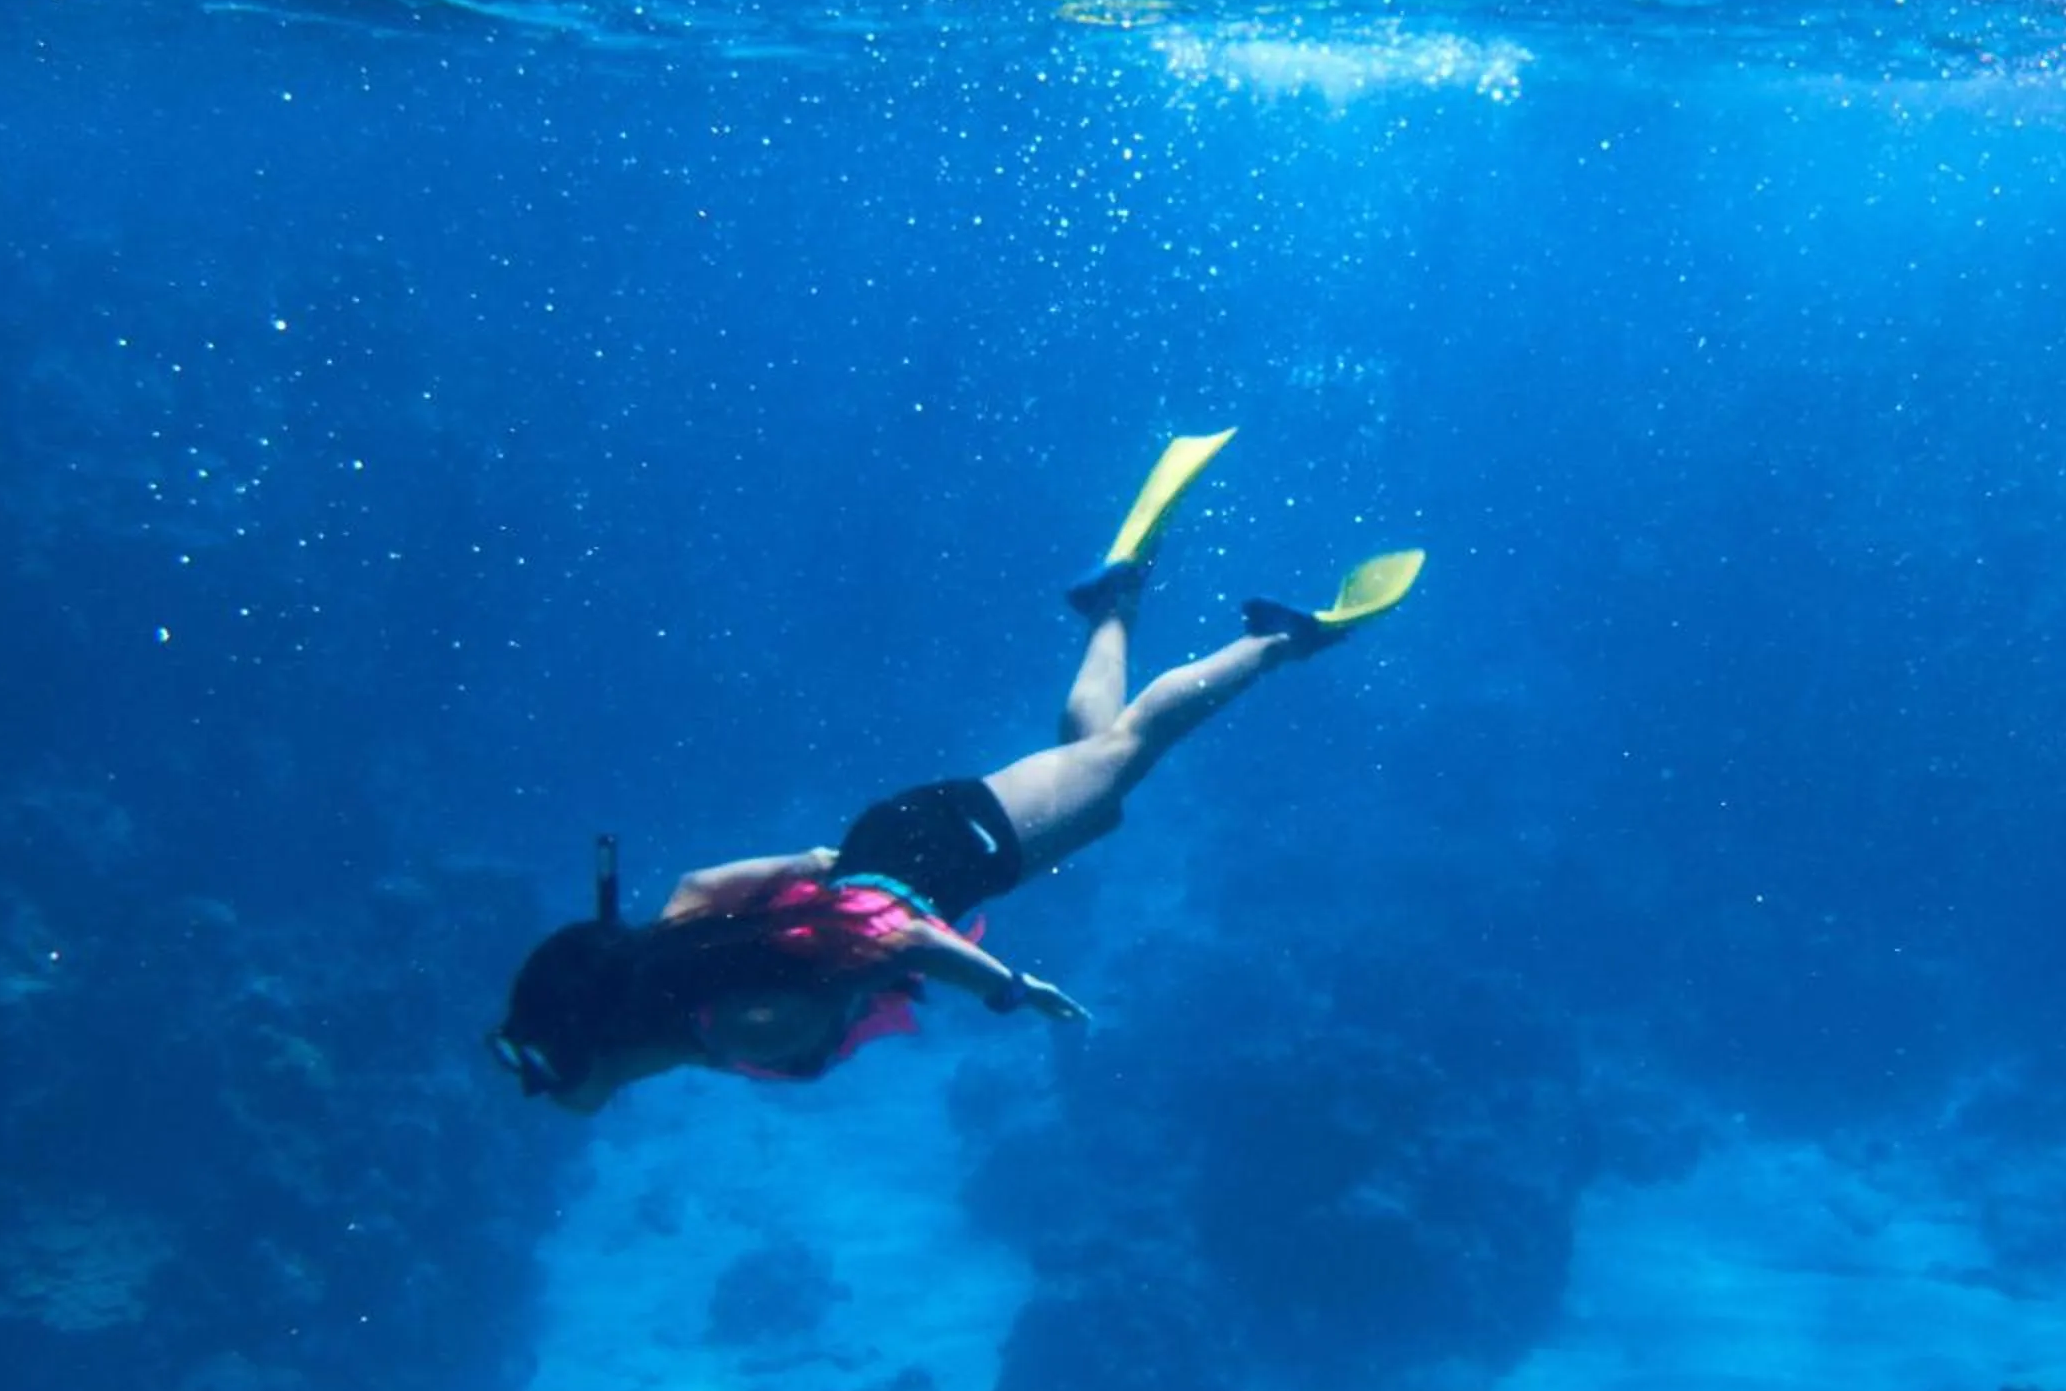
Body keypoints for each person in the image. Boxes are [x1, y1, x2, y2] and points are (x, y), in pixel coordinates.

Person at [488, 431, 1422, 1112]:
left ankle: (1279, 642)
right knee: (1091, 779)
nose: (537, 1094)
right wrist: (825, 872)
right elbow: (725, 881)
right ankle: (1116, 599)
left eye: (537, 1071)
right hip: (897, 842)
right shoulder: (676, 951)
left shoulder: (729, 1023)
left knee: (1125, 755)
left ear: (589, 1043)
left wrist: (1008, 990)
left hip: (933, 861)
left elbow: (890, 934)